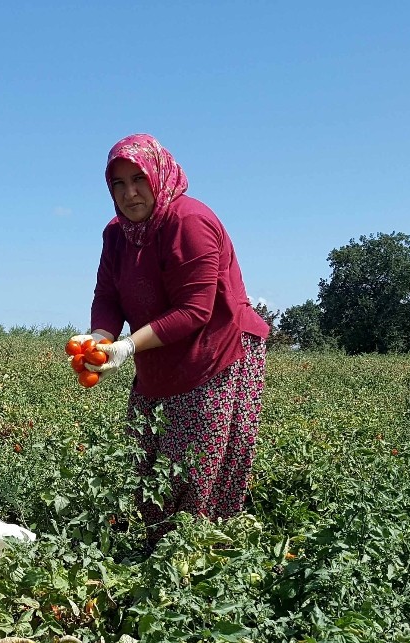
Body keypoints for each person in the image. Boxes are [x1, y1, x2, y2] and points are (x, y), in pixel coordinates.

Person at [71, 133, 271, 540]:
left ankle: (192, 554)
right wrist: (100, 336)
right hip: (159, 354)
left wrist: (127, 346)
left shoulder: (190, 221)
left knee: (195, 463)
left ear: (158, 174)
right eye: (118, 184)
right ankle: (150, 545)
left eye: (138, 179)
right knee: (144, 455)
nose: (130, 193)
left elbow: (196, 309)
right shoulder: (117, 233)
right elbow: (107, 295)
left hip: (217, 352)